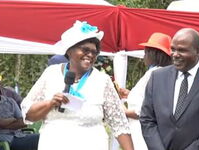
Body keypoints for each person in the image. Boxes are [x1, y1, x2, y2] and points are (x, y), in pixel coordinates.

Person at [21, 20, 134, 150]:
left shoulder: (102, 80)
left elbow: (119, 124)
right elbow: (29, 115)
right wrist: (50, 103)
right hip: (53, 143)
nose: (90, 55)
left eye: (94, 52)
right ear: (69, 50)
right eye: (85, 50)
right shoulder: (51, 73)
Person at [140, 28, 199, 150]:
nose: (175, 54)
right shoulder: (157, 77)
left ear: (198, 51)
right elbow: (147, 119)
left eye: (182, 50)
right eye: (173, 49)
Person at [120, 32, 172, 150]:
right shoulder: (161, 73)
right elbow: (148, 98)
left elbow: (146, 110)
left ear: (153, 54)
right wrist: (130, 94)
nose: (144, 57)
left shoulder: (155, 74)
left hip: (142, 132)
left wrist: (123, 111)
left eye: (145, 53)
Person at [0, 74, 39, 150]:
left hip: (19, 136)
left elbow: (23, 122)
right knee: (40, 139)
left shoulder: (10, 101)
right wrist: (13, 120)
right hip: (3, 139)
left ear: (0, 86)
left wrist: (3, 125)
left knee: (44, 138)